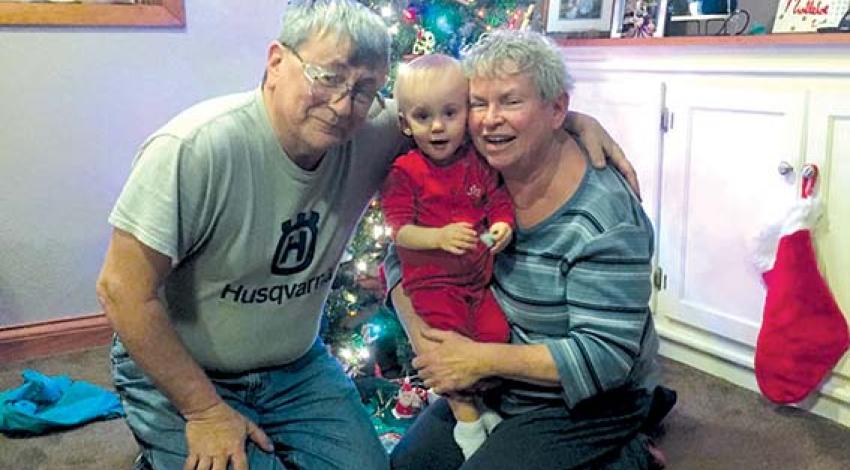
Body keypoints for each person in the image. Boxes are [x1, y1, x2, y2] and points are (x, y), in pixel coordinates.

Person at [95, 1, 637, 469]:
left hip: (295, 368)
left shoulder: (371, 129)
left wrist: (571, 121)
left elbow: (476, 114)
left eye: (365, 89)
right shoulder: (194, 148)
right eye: (327, 76)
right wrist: (203, 410)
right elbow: (121, 290)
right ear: (276, 61)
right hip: (186, 372)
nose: (342, 103)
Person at [386, 29, 673, 470]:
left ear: (557, 107)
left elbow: (606, 357)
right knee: (410, 465)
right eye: (478, 104)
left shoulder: (604, 217)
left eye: (510, 101)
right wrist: (428, 339)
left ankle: (628, 451)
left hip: (588, 399)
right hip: (495, 378)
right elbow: (402, 253)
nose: (488, 120)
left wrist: (478, 358)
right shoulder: (479, 168)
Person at [380, 54, 514, 460]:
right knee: (446, 349)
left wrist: (503, 226)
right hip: (432, 285)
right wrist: (438, 237)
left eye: (450, 113)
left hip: (476, 280)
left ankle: (482, 403)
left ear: (466, 114)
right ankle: (466, 418)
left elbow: (499, 199)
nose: (437, 126)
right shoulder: (405, 170)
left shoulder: (476, 160)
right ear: (405, 123)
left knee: (494, 335)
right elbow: (399, 230)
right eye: (423, 116)